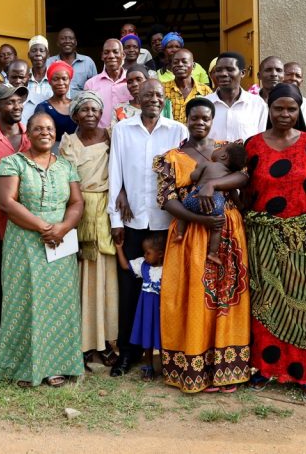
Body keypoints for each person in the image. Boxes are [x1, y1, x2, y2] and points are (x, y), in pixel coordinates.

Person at [157, 98, 252, 393]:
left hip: (228, 231)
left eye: (205, 118)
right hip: (193, 234)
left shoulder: (229, 148)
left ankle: (227, 368)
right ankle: (195, 366)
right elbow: (167, 200)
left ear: (213, 119)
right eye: (195, 117)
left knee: (226, 295)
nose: (200, 122)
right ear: (186, 119)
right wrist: (201, 221)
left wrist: (213, 186)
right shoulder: (171, 157)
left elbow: (245, 178)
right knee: (195, 297)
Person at [244, 83, 306, 400]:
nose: (285, 114)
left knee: (305, 305)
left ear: (299, 111)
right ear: (269, 108)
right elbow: (246, 193)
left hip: (303, 238)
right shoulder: (252, 146)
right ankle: (266, 369)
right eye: (279, 108)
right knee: (266, 303)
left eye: (291, 109)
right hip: (262, 237)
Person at [0, 112, 85, 387]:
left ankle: (57, 364)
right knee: (25, 301)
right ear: (27, 134)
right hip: (25, 240)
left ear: (55, 134)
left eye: (49, 128)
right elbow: (7, 203)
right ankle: (22, 365)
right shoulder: (12, 163)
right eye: (38, 129)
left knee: (59, 302)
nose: (44, 132)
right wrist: (45, 227)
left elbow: (77, 202)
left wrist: (64, 227)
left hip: (61, 241)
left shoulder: (66, 166)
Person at [107, 79, 188, 377]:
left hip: (168, 224)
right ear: (137, 98)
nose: (153, 98)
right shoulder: (122, 130)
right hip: (133, 222)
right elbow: (115, 173)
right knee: (130, 290)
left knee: (168, 292)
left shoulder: (178, 130)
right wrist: (116, 220)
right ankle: (126, 354)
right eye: (147, 94)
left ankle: (169, 357)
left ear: (164, 99)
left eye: (158, 94)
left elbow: (185, 176)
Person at [59, 91, 118, 367]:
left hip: (106, 210)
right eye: (85, 110)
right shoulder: (68, 142)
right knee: (81, 275)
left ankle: (106, 341)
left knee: (106, 275)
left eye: (95, 109)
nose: (91, 114)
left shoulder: (111, 136)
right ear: (75, 115)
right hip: (77, 209)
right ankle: (82, 343)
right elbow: (65, 178)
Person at [0, 81, 31, 351]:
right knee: (0, 287)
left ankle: (26, 342)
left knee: (27, 285)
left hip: (31, 226)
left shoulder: (32, 137)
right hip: (0, 226)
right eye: (10, 102)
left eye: (19, 101)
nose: (16, 106)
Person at [174, 142, 247, 259]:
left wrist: (196, 171)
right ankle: (213, 253)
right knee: (217, 227)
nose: (217, 148)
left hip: (196, 198)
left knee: (184, 208)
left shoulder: (207, 164)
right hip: (216, 204)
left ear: (223, 156)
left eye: (220, 148)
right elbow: (233, 193)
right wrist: (240, 205)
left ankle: (179, 233)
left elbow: (194, 177)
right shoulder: (229, 175)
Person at [119, 233, 164, 381]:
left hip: (161, 312)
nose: (144, 255)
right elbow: (125, 266)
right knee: (147, 339)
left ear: (161, 254)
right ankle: (148, 367)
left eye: (148, 253)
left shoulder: (168, 269)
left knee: (163, 338)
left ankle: (167, 366)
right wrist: (119, 248)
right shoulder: (143, 266)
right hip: (146, 312)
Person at [205, 52, 268, 142]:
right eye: (218, 70)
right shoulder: (204, 104)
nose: (223, 74)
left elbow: (261, 140)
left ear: (242, 73)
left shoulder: (257, 104)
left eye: (230, 69)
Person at [83, 38, 131, 128]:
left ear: (123, 55)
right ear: (102, 56)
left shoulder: (132, 81)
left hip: (128, 136)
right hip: (101, 138)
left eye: (115, 51)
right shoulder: (90, 84)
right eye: (106, 52)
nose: (111, 56)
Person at [33, 60, 77, 148]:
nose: (60, 83)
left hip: (76, 153)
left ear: (69, 81)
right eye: (56, 79)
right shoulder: (43, 107)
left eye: (64, 79)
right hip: (52, 153)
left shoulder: (76, 105)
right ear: (49, 81)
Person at [163, 49, 213, 123]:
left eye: (184, 61)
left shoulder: (205, 91)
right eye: (176, 62)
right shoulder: (162, 89)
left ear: (193, 65)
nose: (180, 64)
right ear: (171, 67)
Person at [45, 27, 97, 98]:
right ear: (57, 43)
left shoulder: (88, 62)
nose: (67, 41)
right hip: (56, 105)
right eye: (63, 38)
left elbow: (95, 88)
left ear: (76, 42)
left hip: (81, 106)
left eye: (70, 38)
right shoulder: (49, 62)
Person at [283, 61, 306, 136]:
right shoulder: (272, 103)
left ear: (301, 81)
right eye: (289, 74)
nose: (293, 78)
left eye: (298, 76)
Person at [25, 35, 53, 122]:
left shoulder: (55, 78)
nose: (38, 54)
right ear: (29, 55)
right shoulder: (23, 78)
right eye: (34, 51)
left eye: (42, 50)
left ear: (48, 55)